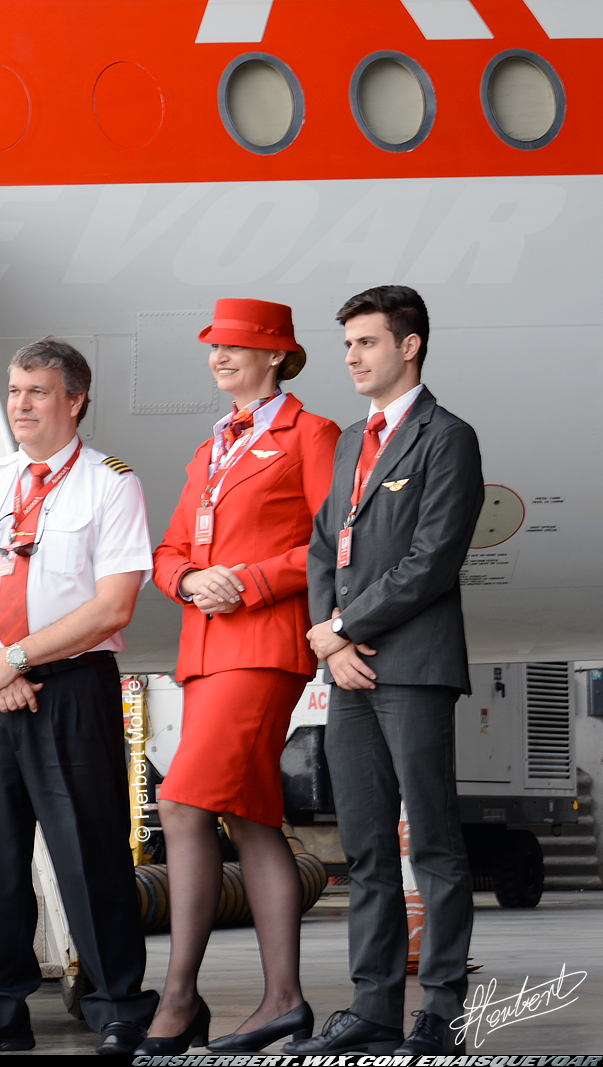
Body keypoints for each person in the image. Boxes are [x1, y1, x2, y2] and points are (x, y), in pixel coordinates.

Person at [0, 338, 159, 1055]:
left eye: (37, 392)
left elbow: (114, 605)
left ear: (75, 400)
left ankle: (120, 1003)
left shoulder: (110, 485)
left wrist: (17, 657)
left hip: (71, 687)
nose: (20, 404)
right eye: (15, 390)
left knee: (88, 853)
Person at [289, 286, 483, 1056]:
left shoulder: (447, 436)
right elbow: (321, 544)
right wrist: (332, 644)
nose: (352, 358)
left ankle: (439, 1008)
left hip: (413, 666)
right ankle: (372, 1006)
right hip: (351, 670)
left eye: (366, 342)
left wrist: (341, 627)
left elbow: (430, 560)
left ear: (410, 346)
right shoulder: (348, 442)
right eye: (347, 346)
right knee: (366, 846)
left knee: (431, 840)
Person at [143, 300, 340, 1053]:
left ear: (277, 356)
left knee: (184, 802)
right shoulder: (211, 447)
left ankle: (179, 996)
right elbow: (167, 551)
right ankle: (283, 1000)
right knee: (252, 820)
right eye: (216, 345)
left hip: (261, 646)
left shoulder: (310, 433)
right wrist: (191, 581)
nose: (221, 355)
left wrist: (250, 580)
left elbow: (331, 541)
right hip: (206, 647)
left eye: (237, 345)